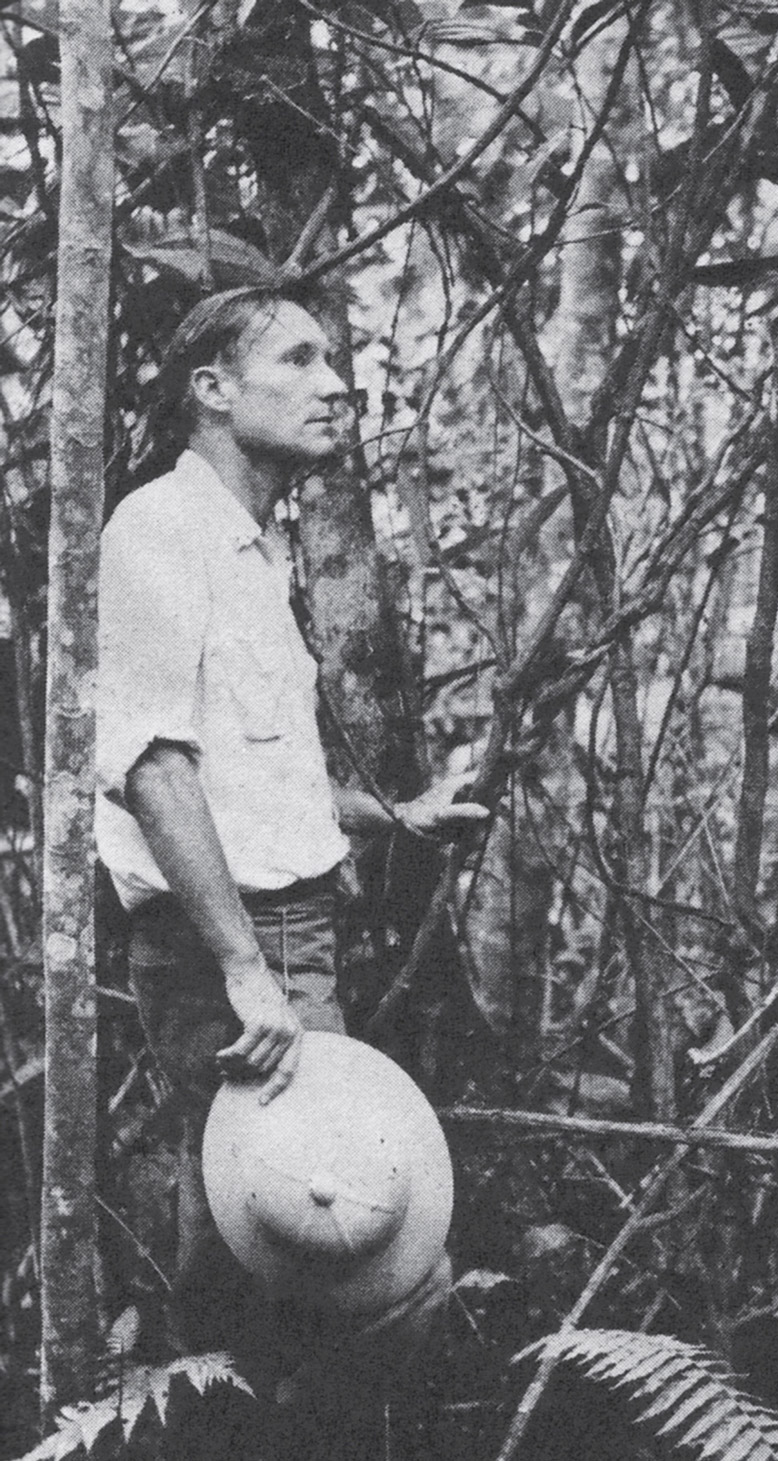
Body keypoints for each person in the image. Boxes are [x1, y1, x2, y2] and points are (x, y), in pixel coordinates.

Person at [95, 284, 486, 1447]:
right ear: (212, 389)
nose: (337, 386)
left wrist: (394, 816)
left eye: (339, 362)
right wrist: (244, 968)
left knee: (285, 1240)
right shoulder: (158, 532)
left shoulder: (252, 543)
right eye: (301, 360)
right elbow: (155, 770)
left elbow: (251, 782)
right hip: (227, 943)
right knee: (296, 1247)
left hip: (288, 927)